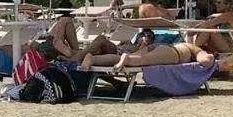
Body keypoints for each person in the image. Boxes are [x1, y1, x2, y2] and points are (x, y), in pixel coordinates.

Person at [81, 39, 214, 72]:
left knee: (124, 58)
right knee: (139, 60)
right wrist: (212, 58)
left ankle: (92, 58)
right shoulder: (193, 48)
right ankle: (126, 58)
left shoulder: (185, 45)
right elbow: (205, 58)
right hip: (174, 54)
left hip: (161, 48)